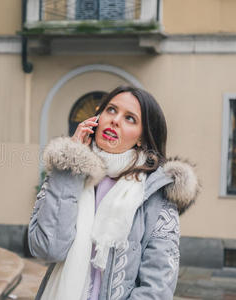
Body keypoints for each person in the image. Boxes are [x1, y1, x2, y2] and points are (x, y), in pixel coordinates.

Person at [28, 86, 200, 300]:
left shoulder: (156, 195)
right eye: (111, 110)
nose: (115, 120)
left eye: (130, 118)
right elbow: (47, 249)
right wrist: (70, 162)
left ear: (141, 138)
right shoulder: (68, 174)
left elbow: (158, 286)